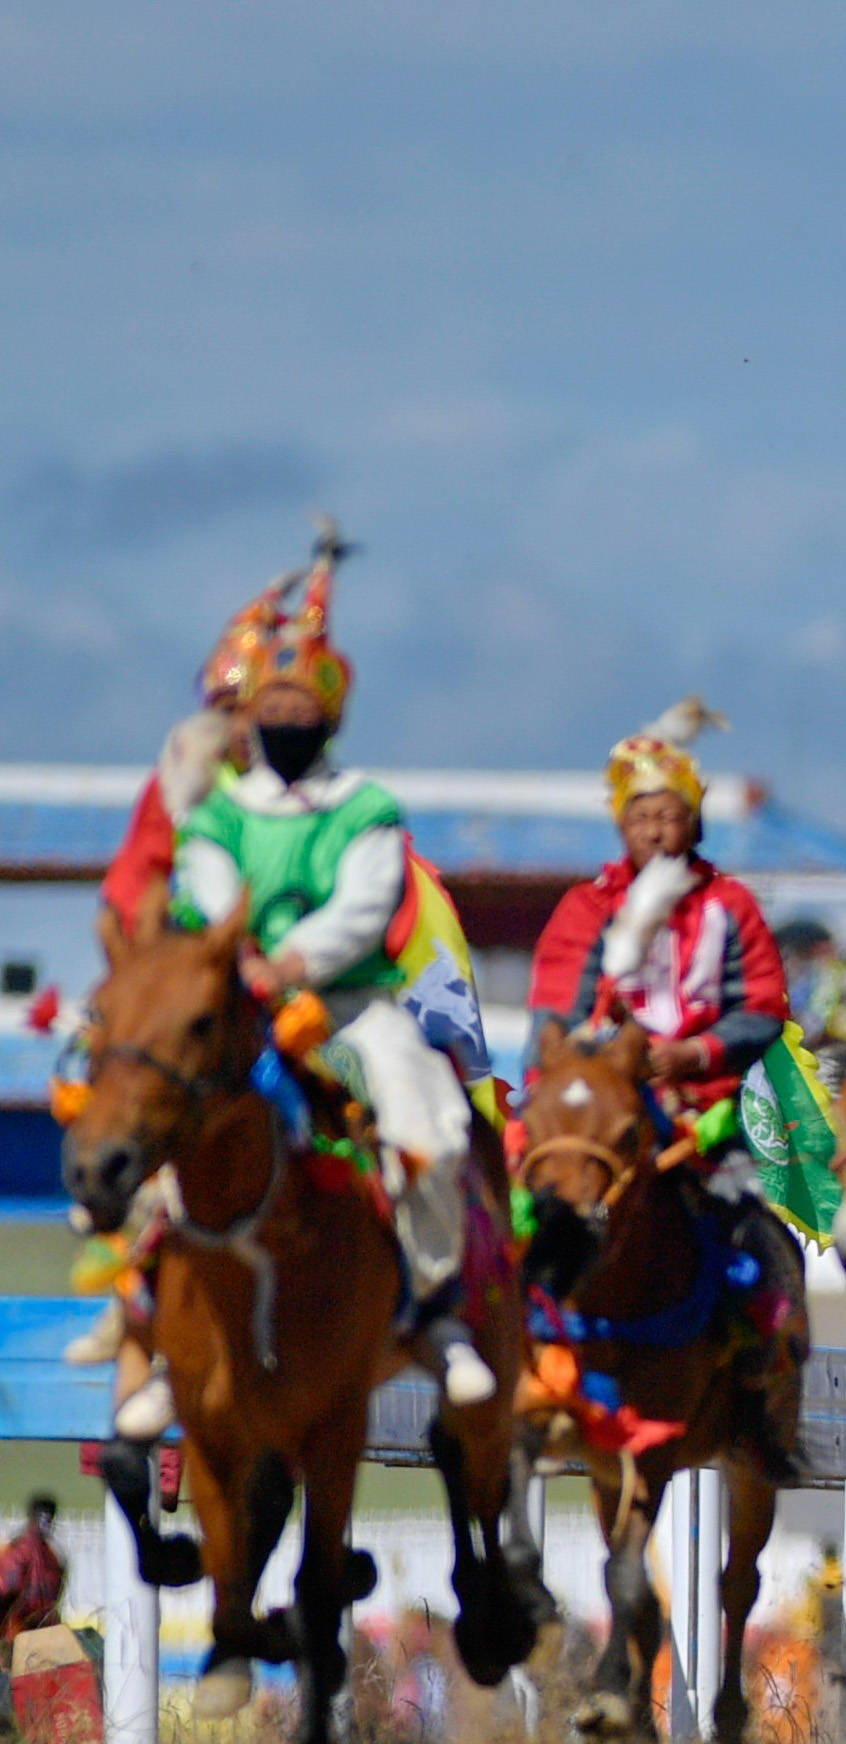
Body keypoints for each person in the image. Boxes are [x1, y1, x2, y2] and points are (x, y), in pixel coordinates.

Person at [159, 530, 503, 1412]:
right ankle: (158, 1325)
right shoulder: (222, 812)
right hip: (238, 998)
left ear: (328, 714)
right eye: (266, 710)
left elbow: (366, 902)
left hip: (348, 1002)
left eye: (297, 710)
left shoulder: (367, 808)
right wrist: (240, 957)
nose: (280, 723)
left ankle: (434, 1307)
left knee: (432, 1122)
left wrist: (296, 959)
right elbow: (205, 883)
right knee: (152, 1112)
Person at [529, 698, 791, 1108]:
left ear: (693, 824)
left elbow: (763, 1006)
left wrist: (695, 1053)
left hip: (717, 1100)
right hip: (607, 1097)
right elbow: (559, 1014)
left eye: (668, 817)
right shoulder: (588, 907)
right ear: (621, 827)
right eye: (640, 818)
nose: (653, 832)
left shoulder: (731, 903)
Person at [0, 1496, 63, 1646]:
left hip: (38, 1630)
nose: (45, 1525)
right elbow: (6, 1590)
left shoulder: (50, 1556)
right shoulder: (19, 1551)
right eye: (42, 1519)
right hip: (18, 1631)